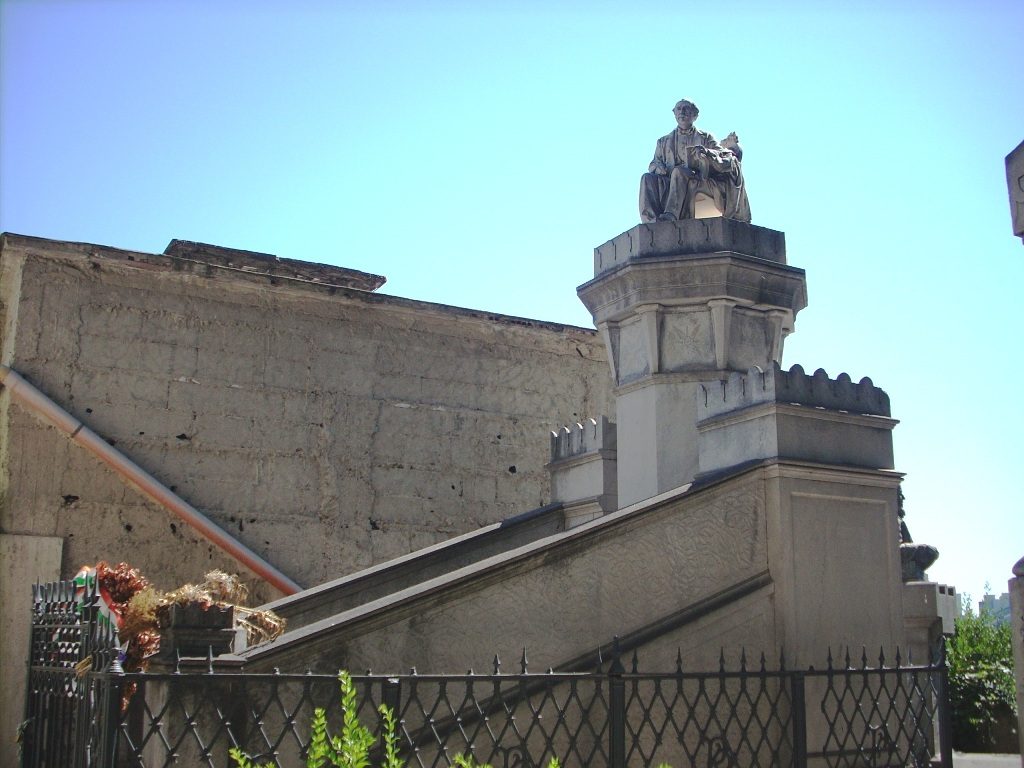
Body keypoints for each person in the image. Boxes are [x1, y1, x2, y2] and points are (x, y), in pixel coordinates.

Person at [639, 99, 751, 223]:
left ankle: (671, 215)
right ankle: (651, 221)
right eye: (679, 109)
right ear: (674, 113)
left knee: (679, 172)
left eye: (686, 108)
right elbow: (653, 164)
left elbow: (722, 155)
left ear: (695, 115)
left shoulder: (706, 137)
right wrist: (659, 168)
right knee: (646, 178)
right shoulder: (663, 141)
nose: (682, 112)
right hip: (668, 180)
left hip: (699, 178)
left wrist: (706, 153)